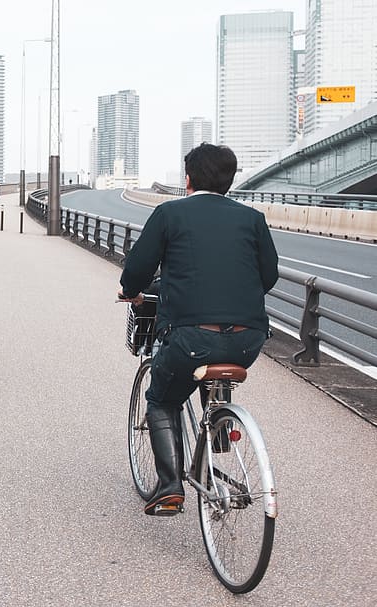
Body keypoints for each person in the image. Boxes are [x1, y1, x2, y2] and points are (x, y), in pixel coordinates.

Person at [117, 143, 278, 516]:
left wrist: (129, 291)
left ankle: (170, 486)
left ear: (188, 178)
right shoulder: (252, 218)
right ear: (229, 180)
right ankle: (218, 430)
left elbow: (139, 268)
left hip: (191, 338)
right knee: (211, 363)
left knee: (162, 398)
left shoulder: (170, 213)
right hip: (248, 340)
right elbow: (267, 275)